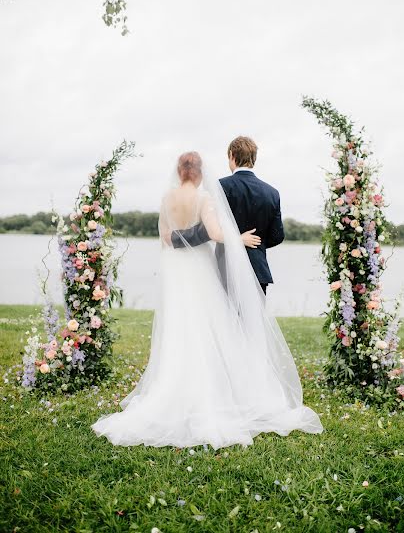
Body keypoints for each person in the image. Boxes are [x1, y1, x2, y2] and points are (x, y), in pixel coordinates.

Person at [91, 151, 322, 448]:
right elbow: (214, 232)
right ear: (200, 173)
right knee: (208, 325)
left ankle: (174, 388)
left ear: (179, 172)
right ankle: (219, 389)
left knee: (181, 326)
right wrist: (238, 239)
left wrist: (180, 240)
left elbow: (165, 236)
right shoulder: (204, 199)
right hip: (199, 268)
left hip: (176, 271)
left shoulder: (166, 199)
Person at [171, 137, 284, 296]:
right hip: (258, 270)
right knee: (254, 321)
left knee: (229, 321)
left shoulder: (220, 187)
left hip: (226, 267)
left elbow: (207, 229)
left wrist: (176, 238)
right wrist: (256, 243)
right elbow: (277, 236)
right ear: (254, 158)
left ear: (232, 155)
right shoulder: (272, 193)